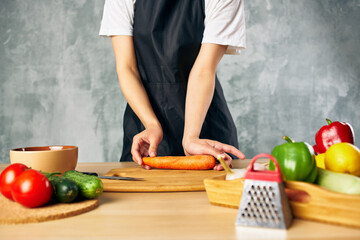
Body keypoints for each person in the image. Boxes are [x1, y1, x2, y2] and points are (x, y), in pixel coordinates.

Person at [99, 0, 246, 170]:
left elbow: (204, 70)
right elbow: (127, 68)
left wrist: (191, 137)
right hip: (146, 126)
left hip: (204, 124)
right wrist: (151, 125)